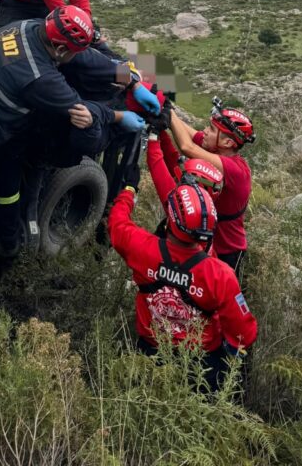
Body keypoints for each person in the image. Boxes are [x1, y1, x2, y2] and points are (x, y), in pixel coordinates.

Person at [0, 4, 158, 329]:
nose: (73, 56)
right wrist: (119, 116)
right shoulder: (38, 77)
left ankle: (9, 243)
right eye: (69, 51)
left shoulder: (29, 27)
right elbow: (83, 115)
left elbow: (85, 58)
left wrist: (129, 78)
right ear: (59, 48)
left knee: (8, 174)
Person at [108, 162, 257, 391]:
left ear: (170, 220)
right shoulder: (220, 275)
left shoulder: (141, 248)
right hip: (201, 367)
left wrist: (129, 190)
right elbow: (243, 333)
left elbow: (118, 223)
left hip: (149, 354)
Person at [166, 98, 255, 280]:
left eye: (212, 129)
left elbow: (187, 147)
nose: (205, 131)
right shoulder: (215, 149)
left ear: (228, 143)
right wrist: (164, 110)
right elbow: (190, 134)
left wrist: (169, 113)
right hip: (206, 245)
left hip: (227, 253)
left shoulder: (235, 170)